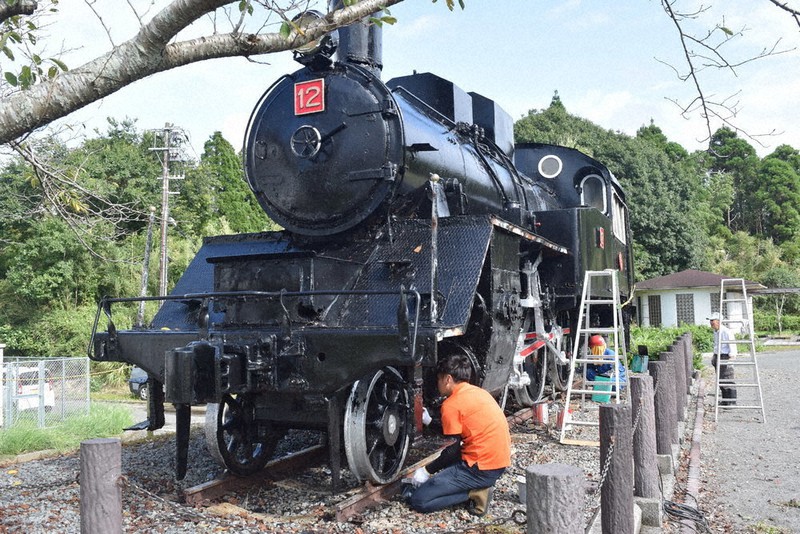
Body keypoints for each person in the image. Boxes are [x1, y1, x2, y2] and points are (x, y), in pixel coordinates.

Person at [407, 353, 511, 516]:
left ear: (447, 379)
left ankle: (475, 493)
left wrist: (426, 471)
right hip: (497, 464)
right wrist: (429, 421)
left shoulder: (451, 404)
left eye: (439, 379)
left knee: (419, 500)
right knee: (442, 474)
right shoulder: (478, 392)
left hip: (480, 469)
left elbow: (452, 450)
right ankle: (472, 486)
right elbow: (458, 432)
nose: (437, 384)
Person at [708, 312, 737, 405]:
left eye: (713, 321)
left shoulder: (726, 331)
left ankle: (731, 401)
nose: (711, 323)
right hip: (718, 356)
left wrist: (731, 358)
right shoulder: (716, 332)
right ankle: (725, 400)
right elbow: (716, 345)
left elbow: (732, 345)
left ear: (719, 321)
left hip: (725, 356)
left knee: (727, 378)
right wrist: (714, 356)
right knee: (720, 379)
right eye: (710, 321)